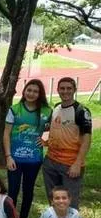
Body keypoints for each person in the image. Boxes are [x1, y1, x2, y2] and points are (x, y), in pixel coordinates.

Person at [4, 79, 51, 218]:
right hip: (15, 159)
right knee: (13, 190)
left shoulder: (46, 111)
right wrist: (8, 156)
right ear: (24, 91)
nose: (31, 93)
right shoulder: (15, 109)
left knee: (28, 190)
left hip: (34, 159)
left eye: (35, 91)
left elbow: (57, 129)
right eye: (29, 90)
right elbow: (6, 134)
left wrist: (47, 141)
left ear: (40, 94)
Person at [42, 77, 92, 209]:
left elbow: (87, 138)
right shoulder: (56, 107)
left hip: (70, 164)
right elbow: (54, 129)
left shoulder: (81, 111)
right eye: (62, 88)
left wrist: (77, 163)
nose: (65, 91)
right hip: (50, 161)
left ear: (75, 90)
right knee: (53, 199)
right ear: (57, 90)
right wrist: (45, 141)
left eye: (69, 88)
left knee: (69, 201)